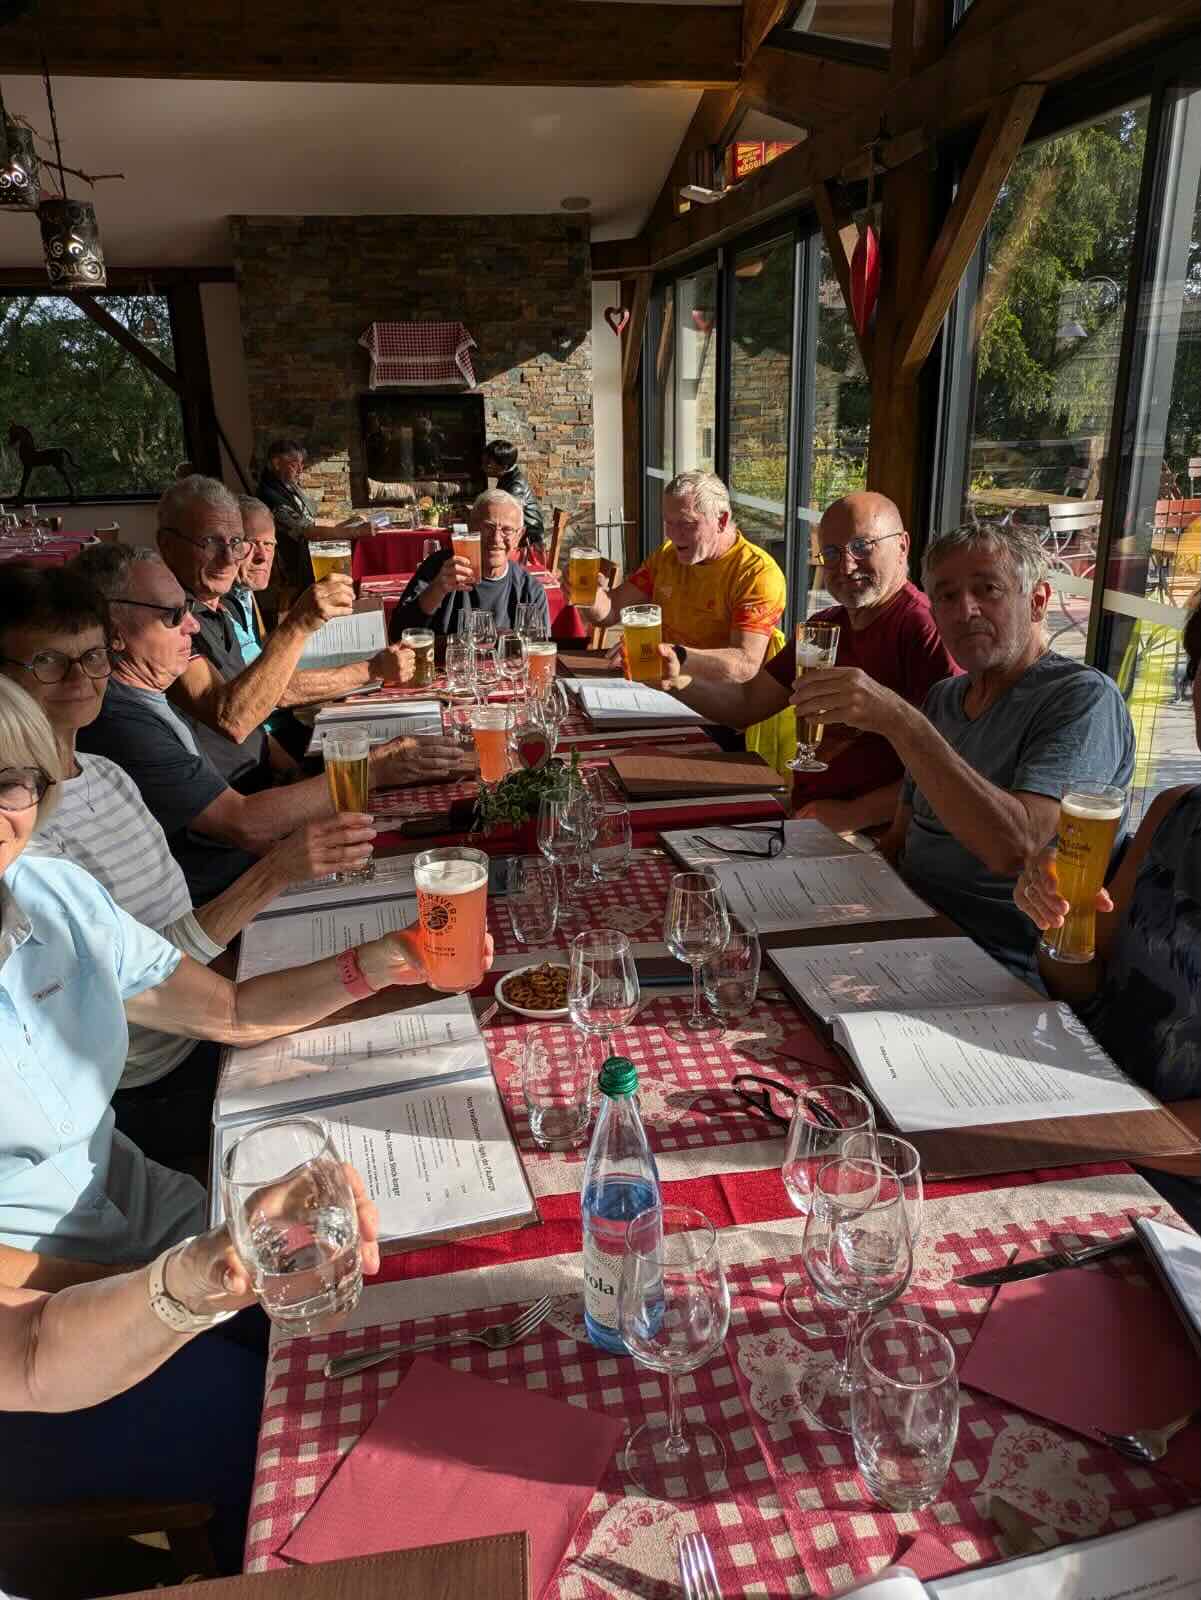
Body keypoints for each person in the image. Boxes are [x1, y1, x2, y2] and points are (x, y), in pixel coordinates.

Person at [0, 673, 484, 1282]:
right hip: (69, 1297)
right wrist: (175, 1290)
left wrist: (382, 961)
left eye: (7, 782)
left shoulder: (53, 893)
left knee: (409, 1257)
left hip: (160, 1218)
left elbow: (232, 1012)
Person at [0, 563, 376, 1165]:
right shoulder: (21, 835)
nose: (80, 678)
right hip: (163, 1078)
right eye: (48, 661)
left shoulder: (106, 773)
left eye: (92, 657)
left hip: (218, 1002)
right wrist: (274, 876)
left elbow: (175, 953)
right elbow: (138, 989)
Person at [791, 520, 1135, 987]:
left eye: (987, 589)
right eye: (947, 596)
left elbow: (1014, 848)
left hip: (997, 965)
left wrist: (902, 722)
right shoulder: (945, 697)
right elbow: (901, 840)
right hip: (906, 933)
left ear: (1037, 601)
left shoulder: (1081, 698)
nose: (965, 610)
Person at [0, 1165, 379, 1574]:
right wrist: (174, 1278)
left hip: (105, 1280)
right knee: (264, 1425)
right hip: (42, 1394)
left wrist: (201, 1273)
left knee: (335, 1324)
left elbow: (29, 1340)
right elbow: (29, 1351)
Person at [73, 548, 466, 902]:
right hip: (223, 897)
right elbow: (242, 823)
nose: (192, 626)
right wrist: (377, 767)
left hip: (253, 863)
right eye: (173, 615)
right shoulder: (118, 720)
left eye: (188, 610)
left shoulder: (152, 693)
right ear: (113, 630)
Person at [655, 492, 960, 831]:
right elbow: (746, 703)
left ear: (902, 546)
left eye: (862, 547)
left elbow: (956, 764)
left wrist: (856, 813)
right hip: (805, 817)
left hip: (874, 836)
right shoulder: (823, 626)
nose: (846, 566)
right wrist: (673, 679)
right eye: (831, 553)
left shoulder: (924, 626)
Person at [1014, 589, 1200, 1104]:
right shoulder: (1173, 813)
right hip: (1075, 1085)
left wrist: (1119, 1129)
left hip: (1147, 1141)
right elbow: (1082, 990)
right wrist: (1058, 915)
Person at [152, 476, 413, 786]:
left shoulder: (220, 608)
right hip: (234, 799)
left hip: (268, 779)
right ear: (167, 545)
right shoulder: (163, 619)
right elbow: (233, 718)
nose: (228, 557)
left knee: (413, 754)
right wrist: (299, 625)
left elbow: (256, 717)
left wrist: (294, 772)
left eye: (235, 542)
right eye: (209, 542)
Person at [580, 470, 786, 744]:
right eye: (668, 522)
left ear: (721, 520)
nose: (674, 535)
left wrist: (674, 655)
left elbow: (744, 664)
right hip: (661, 697)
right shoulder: (667, 557)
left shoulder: (755, 573)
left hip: (720, 713)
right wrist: (589, 598)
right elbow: (611, 610)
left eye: (687, 524)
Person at [388, 488, 550, 640]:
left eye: (507, 530)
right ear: (471, 527)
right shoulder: (441, 568)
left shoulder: (530, 591)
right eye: (488, 527)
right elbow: (396, 634)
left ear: (519, 536)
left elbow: (540, 650)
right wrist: (437, 590)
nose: (496, 538)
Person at [255, 436, 363, 591]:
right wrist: (353, 531)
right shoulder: (271, 496)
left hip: (307, 555)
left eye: (301, 464)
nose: (300, 470)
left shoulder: (288, 486)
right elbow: (307, 530)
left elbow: (311, 520)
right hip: (295, 566)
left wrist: (345, 522)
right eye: (294, 464)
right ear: (277, 463)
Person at [483, 438, 545, 550]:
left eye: (488, 463)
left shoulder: (516, 486)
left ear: (504, 466)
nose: (484, 466)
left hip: (528, 543)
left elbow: (507, 517)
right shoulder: (507, 478)